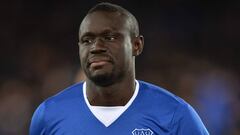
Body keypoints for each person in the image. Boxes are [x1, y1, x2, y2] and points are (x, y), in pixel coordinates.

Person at [30, 2, 209, 135]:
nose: (96, 47)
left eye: (110, 37)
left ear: (136, 45)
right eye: (87, 40)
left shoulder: (175, 115)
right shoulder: (48, 115)